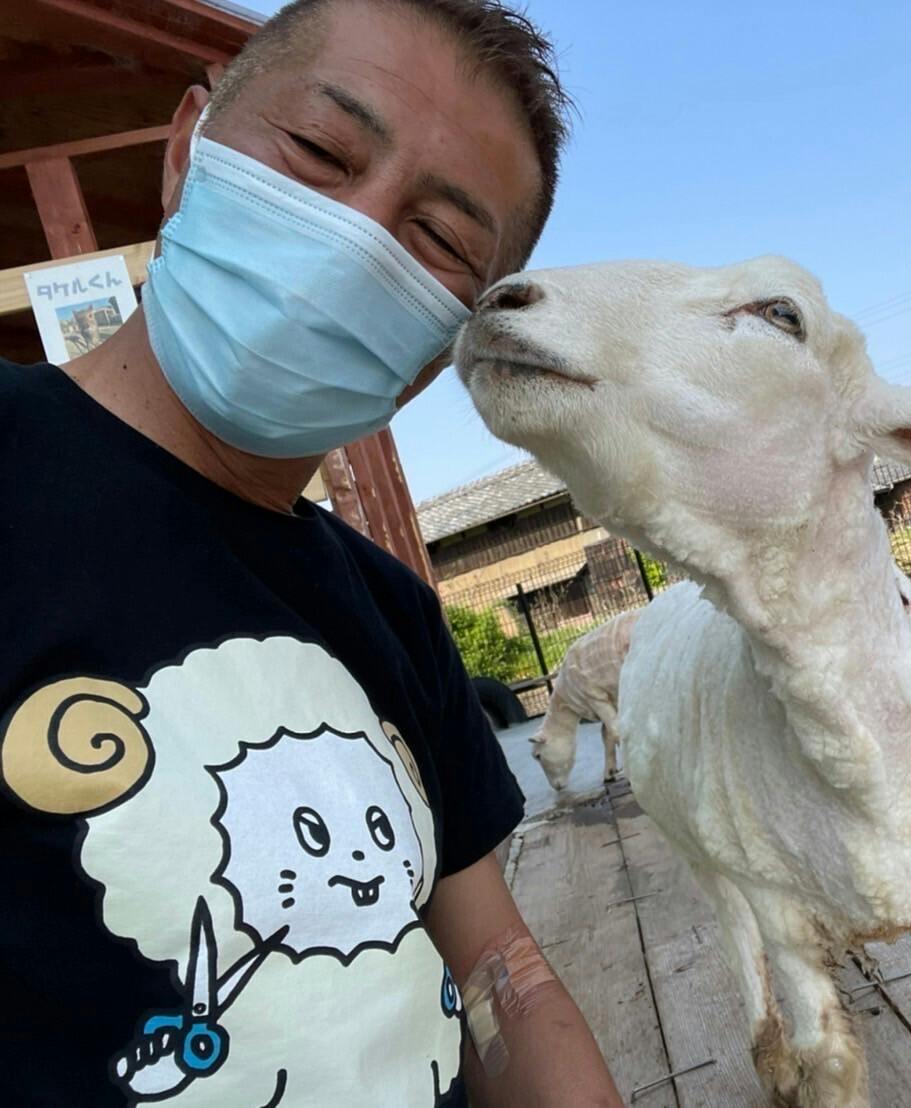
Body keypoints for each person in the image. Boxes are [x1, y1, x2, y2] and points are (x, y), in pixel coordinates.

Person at [0, 1, 622, 1105]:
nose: (357, 238)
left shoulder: (394, 613)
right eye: (320, 151)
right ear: (186, 153)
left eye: (440, 241)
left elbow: (503, 973)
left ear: (440, 345)